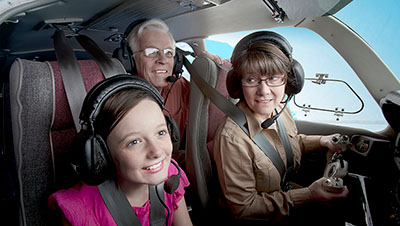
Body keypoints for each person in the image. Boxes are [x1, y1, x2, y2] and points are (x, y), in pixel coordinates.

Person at [213, 31, 349, 225]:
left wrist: (321, 141)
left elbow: (288, 144)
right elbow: (243, 208)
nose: (264, 91)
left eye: (273, 78)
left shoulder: (279, 109)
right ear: (238, 84)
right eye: (251, 80)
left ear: (289, 80)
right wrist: (309, 195)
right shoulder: (232, 138)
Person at [48, 75, 193, 226]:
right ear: (101, 153)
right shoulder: (82, 209)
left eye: (161, 133)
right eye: (134, 142)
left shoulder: (170, 174)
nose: (156, 151)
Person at [126, 18, 223, 144]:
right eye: (151, 52)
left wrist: (203, 54)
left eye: (168, 52)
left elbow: (213, 105)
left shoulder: (178, 85)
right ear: (130, 59)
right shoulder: (121, 102)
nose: (163, 60)